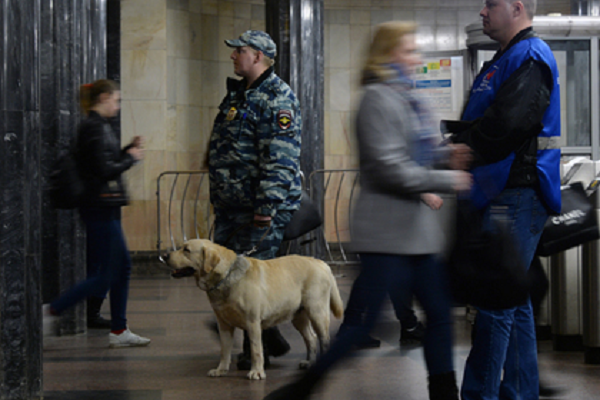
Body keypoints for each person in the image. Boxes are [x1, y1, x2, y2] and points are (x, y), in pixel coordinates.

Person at [263, 21, 472, 400]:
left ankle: (445, 393)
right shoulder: (376, 98)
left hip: (417, 236)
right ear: (388, 53)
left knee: (440, 317)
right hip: (386, 235)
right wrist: (445, 181)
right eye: (408, 50)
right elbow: (388, 167)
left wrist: (445, 154)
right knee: (361, 327)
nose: (415, 58)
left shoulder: (406, 97)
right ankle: (302, 389)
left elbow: (414, 153)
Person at [449, 1, 562, 399]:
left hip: (518, 190)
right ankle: (520, 392)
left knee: (496, 304)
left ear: (516, 7)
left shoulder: (530, 56)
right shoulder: (505, 57)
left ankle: (480, 394)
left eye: (491, 4)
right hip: (502, 191)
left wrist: (467, 148)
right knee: (514, 300)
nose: (482, 12)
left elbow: (512, 121)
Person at [208, 30, 302, 370]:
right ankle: (267, 337)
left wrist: (266, 209)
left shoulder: (278, 98)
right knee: (225, 277)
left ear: (258, 56)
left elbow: (281, 158)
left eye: (240, 51)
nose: (233, 56)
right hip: (231, 206)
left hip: (258, 210)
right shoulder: (238, 96)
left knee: (249, 280)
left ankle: (255, 352)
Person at [42, 79, 150, 348]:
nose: (118, 104)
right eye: (116, 99)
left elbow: (102, 163)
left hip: (104, 206)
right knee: (108, 272)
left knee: (120, 267)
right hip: (98, 207)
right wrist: (132, 157)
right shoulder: (93, 127)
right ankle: (53, 310)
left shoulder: (99, 126)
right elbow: (103, 170)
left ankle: (119, 329)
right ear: (103, 98)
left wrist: (126, 151)